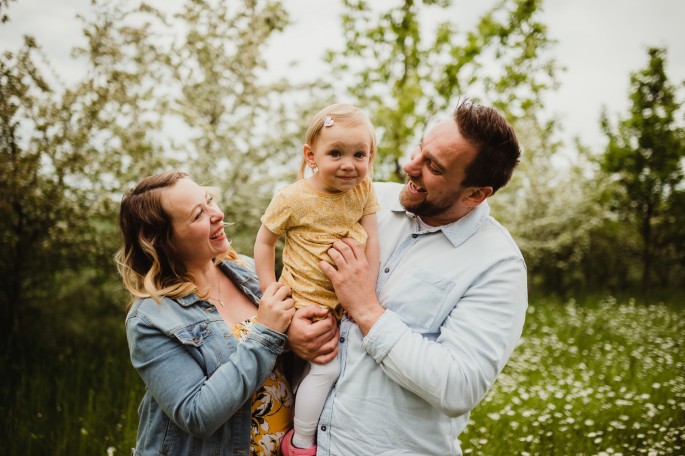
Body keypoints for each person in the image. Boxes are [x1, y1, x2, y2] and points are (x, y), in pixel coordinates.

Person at [286, 99, 528, 455]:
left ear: (476, 194)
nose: (409, 165)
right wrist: (292, 328)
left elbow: (458, 386)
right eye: (420, 148)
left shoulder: (498, 265)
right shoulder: (362, 200)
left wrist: (367, 310)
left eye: (433, 165)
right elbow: (299, 273)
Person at [116, 171, 297, 456]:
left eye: (209, 200)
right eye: (198, 215)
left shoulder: (247, 271)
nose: (218, 214)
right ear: (162, 240)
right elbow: (197, 415)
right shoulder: (152, 318)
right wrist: (266, 333)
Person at [254, 103, 380, 455]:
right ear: (311, 155)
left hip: (343, 302)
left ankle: (296, 428)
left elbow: (373, 241)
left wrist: (365, 295)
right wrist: (271, 294)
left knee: (309, 372)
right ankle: (300, 444)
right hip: (307, 303)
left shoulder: (363, 190)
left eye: (359, 154)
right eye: (336, 153)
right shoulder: (292, 197)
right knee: (326, 370)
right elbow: (264, 243)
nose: (348, 164)